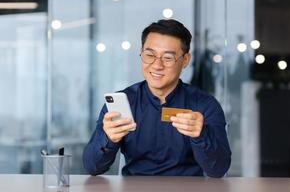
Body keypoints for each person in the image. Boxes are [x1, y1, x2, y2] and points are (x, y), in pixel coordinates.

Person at [82, 19, 231, 177]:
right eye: (150, 55)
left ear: (185, 60)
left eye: (167, 58)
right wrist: (108, 138)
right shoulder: (124, 102)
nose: (157, 65)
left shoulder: (204, 105)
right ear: (141, 52)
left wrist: (200, 135)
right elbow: (92, 167)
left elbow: (218, 170)